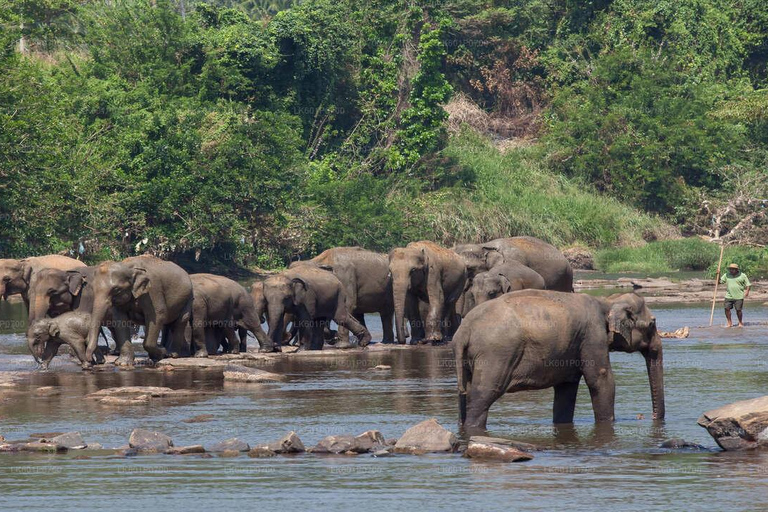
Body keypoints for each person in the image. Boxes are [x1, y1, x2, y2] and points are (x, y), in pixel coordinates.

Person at [721, 263, 751, 328]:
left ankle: (740, 322)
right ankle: (729, 322)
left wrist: (747, 292)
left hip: (739, 296)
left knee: (738, 310)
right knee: (726, 308)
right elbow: (720, 281)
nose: (731, 270)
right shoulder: (726, 275)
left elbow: (748, 284)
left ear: (736, 270)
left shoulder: (742, 275)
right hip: (729, 295)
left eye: (733, 269)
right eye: (730, 269)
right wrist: (718, 274)